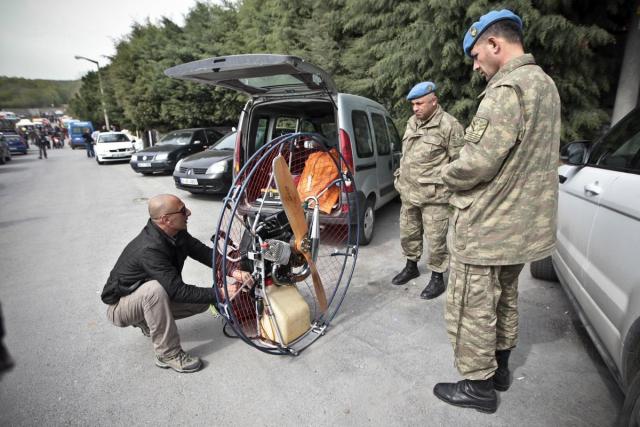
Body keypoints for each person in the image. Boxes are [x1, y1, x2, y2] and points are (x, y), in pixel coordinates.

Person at [432, 10, 561, 413]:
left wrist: (444, 174)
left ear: (494, 44)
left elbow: (477, 163)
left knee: (472, 307)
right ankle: (500, 370)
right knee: (504, 298)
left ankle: (477, 387)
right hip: (521, 226)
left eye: (475, 55)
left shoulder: (508, 89)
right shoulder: (546, 85)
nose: (474, 66)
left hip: (488, 225)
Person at [101, 194, 250, 373]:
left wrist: (233, 270)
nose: (188, 212)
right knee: (154, 291)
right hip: (120, 306)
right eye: (182, 210)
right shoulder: (150, 249)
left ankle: (148, 321)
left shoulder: (176, 233)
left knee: (203, 301)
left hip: (139, 296)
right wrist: (222, 293)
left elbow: (203, 252)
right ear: (166, 220)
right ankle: (167, 354)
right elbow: (177, 291)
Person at [392, 81, 464, 299]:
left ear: (434, 101)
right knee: (408, 233)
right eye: (413, 104)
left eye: (419, 103)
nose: (415, 108)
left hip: (435, 196)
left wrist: (451, 189)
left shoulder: (449, 126)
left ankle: (436, 277)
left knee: (436, 240)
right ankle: (411, 266)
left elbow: (459, 162)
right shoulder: (412, 122)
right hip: (409, 193)